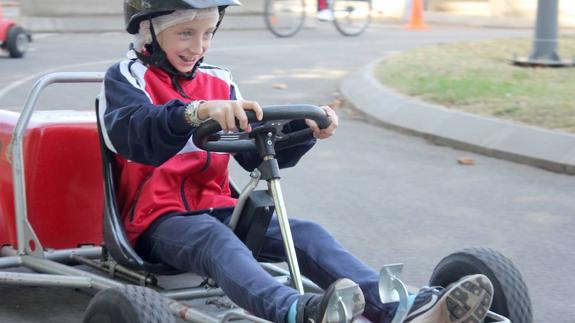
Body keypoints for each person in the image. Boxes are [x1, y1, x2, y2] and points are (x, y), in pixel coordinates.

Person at [99, 1, 495, 322]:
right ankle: (294, 310)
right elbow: (133, 133)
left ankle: (403, 309)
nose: (199, 47)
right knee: (216, 241)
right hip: (156, 221)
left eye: (208, 34)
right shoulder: (126, 77)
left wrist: (302, 131)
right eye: (185, 33)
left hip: (217, 207)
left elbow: (254, 152)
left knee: (306, 233)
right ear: (148, 31)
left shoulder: (219, 79)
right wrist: (194, 112)